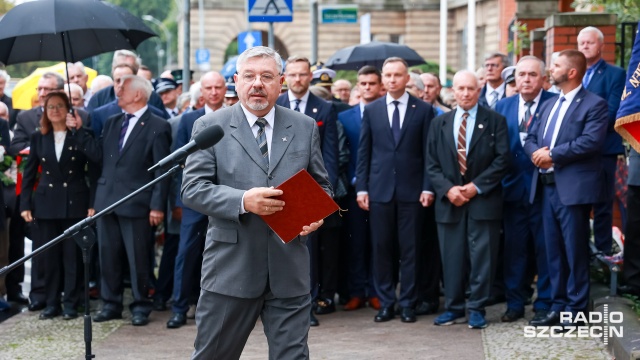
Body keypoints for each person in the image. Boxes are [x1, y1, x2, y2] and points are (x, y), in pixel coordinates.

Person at [182, 45, 330, 360]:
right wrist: (243, 200)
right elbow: (192, 189)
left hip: (289, 269)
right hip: (230, 270)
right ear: (236, 81)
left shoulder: (303, 126)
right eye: (249, 76)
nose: (257, 84)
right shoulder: (212, 127)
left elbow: (322, 185)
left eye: (266, 76)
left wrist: (318, 213)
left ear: (281, 83)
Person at [524, 50, 608, 328]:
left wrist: (553, 155)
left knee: (574, 251)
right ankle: (557, 307)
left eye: (556, 65)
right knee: (553, 251)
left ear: (572, 72)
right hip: (546, 188)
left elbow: (590, 142)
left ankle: (576, 310)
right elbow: (531, 136)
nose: (551, 68)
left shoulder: (594, 105)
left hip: (573, 190)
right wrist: (536, 152)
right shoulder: (549, 104)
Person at [356, 57, 436, 324]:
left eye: (397, 75)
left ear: (406, 79)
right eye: (388, 75)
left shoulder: (423, 110)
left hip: (413, 192)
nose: (392, 80)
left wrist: (427, 187)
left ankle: (408, 304)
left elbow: (428, 154)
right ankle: (387, 303)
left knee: (411, 250)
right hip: (379, 191)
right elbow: (364, 152)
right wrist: (362, 188)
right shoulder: (373, 109)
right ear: (383, 78)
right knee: (382, 249)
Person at [428, 70, 510, 329]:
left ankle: (477, 308)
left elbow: (502, 160)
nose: (465, 93)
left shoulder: (495, 121)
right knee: (451, 257)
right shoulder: (439, 123)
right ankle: (453, 308)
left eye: (470, 89)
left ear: (479, 91)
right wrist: (448, 189)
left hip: (482, 201)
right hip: (449, 202)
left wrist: (476, 187)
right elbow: (431, 163)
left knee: (482, 258)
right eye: (460, 88)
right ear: (453, 91)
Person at [92, 75, 171, 326]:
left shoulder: (158, 125)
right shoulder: (113, 122)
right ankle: (111, 303)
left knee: (138, 258)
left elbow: (162, 169)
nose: (117, 91)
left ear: (137, 94)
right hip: (107, 201)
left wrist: (157, 205)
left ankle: (140, 305)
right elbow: (99, 158)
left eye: (122, 88)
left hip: (137, 202)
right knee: (108, 255)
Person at [20, 92, 101, 320]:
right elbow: (29, 174)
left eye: (60, 106)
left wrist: (93, 203)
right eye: (50, 107)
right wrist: (25, 204)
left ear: (69, 110)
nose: (55, 110)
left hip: (76, 201)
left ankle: (71, 304)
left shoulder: (81, 135)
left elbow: (94, 170)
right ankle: (52, 302)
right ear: (44, 111)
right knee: (49, 257)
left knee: (72, 256)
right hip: (46, 204)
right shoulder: (39, 138)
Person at [277, 55, 338, 326]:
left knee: (307, 252)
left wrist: (324, 197)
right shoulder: (275, 105)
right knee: (276, 248)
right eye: (292, 74)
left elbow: (330, 155)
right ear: (284, 77)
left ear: (310, 77)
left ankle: (308, 306)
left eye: (302, 74)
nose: (297, 79)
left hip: (309, 190)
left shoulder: (324, 108)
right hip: (277, 188)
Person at [494, 56, 556, 323]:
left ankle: (544, 302)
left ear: (543, 78)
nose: (526, 79)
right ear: (514, 79)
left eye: (532, 74)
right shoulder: (502, 106)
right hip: (512, 190)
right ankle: (515, 302)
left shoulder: (555, 103)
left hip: (544, 190)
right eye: (521, 75)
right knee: (514, 249)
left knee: (544, 248)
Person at [166, 71, 227, 329]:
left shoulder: (235, 116)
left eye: (218, 87)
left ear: (225, 89)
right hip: (194, 196)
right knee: (186, 251)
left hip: (226, 196)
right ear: (201, 91)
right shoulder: (188, 119)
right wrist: (180, 201)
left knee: (226, 253)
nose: (213, 92)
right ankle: (179, 307)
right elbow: (179, 160)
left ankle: (224, 309)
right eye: (208, 87)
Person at [577, 26, 627, 255]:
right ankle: (580, 255)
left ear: (601, 45)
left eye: (590, 42)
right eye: (581, 43)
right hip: (573, 151)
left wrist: (579, 131)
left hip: (602, 149)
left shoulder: (615, 74)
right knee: (577, 206)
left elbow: (613, 111)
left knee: (602, 206)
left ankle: (602, 256)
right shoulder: (572, 73)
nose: (585, 46)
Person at [338, 65, 383, 311]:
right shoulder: (345, 117)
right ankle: (356, 291)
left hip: (382, 188)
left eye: (371, 83)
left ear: (380, 86)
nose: (366, 87)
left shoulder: (386, 114)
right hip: (353, 189)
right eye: (363, 83)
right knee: (355, 242)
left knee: (379, 242)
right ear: (358, 86)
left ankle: (376, 290)